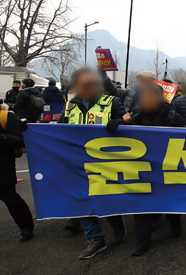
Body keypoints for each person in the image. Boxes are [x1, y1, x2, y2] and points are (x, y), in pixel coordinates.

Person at [106, 84, 185, 256]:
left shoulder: (174, 118)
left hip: (167, 170)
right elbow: (124, 135)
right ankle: (143, 241)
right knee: (141, 208)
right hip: (142, 170)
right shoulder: (136, 118)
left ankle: (174, 222)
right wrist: (118, 123)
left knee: (171, 203)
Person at [58, 68, 127, 259]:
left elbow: (130, 128)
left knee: (105, 197)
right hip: (76, 161)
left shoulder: (113, 102)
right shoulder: (70, 105)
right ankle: (96, 239)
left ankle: (115, 220)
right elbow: (59, 130)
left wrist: (119, 122)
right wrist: (30, 130)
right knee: (80, 197)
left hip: (104, 161)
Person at [0, 83, 34, 243]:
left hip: (0, 166)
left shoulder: (6, 116)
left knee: (11, 199)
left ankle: (26, 227)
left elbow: (21, 141)